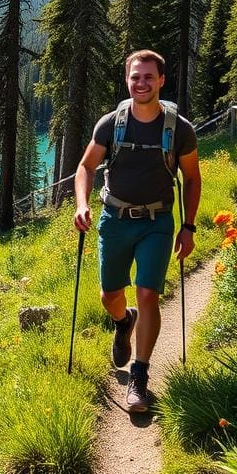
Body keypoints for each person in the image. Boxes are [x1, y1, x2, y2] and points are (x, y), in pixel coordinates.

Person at [74, 50, 201, 412]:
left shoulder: (180, 129)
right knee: (110, 296)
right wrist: (82, 204)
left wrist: (188, 226)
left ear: (161, 80)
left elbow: (192, 178)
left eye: (148, 77)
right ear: (127, 80)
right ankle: (122, 320)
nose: (141, 83)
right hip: (114, 220)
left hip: (157, 223)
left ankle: (139, 377)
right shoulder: (110, 124)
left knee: (148, 294)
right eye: (135, 77)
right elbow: (86, 167)